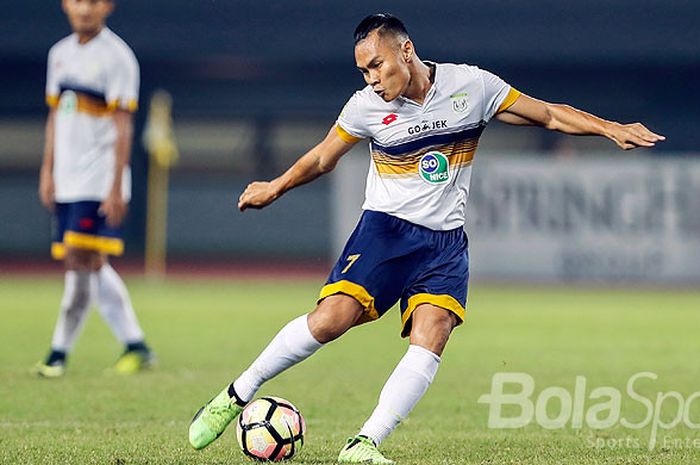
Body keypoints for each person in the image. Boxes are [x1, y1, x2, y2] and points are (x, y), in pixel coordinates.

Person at [188, 13, 664, 464]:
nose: (371, 79)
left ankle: (364, 442)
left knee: (431, 336)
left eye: (376, 64)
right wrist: (276, 185)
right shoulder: (366, 107)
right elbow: (322, 158)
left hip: (445, 244)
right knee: (332, 319)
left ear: (406, 50)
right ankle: (235, 394)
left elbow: (548, 116)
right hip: (386, 230)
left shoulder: (472, 86)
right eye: (362, 71)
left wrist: (609, 129)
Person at [35, 0, 154, 378]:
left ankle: (58, 352)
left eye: (92, 2)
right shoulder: (59, 54)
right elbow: (57, 117)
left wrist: (116, 185)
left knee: (77, 259)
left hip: (98, 178)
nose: (84, 9)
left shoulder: (118, 57)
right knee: (92, 263)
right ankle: (136, 344)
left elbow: (124, 125)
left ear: (107, 7)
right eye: (77, 1)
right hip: (67, 179)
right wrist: (48, 170)